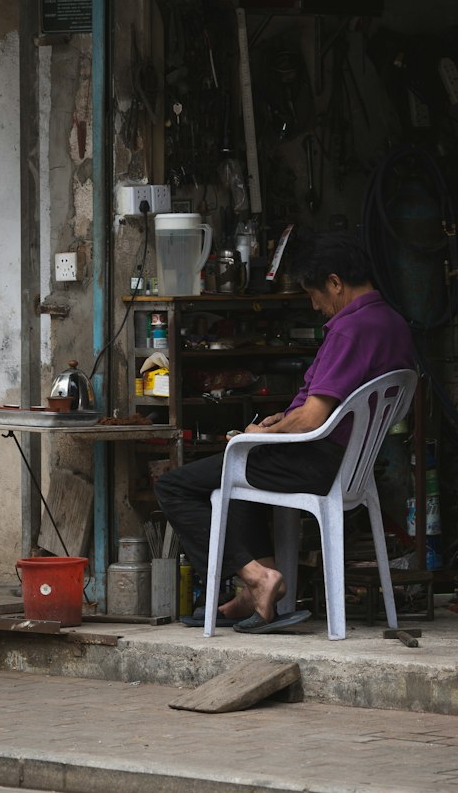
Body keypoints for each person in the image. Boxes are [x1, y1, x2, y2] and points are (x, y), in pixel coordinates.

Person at [155, 229, 415, 634]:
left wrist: (258, 433)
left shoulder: (351, 329)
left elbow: (313, 417)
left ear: (335, 283)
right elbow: (335, 405)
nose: (315, 306)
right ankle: (259, 591)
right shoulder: (392, 322)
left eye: (315, 294)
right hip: (353, 465)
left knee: (176, 485)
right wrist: (276, 425)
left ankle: (257, 578)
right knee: (242, 465)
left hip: (318, 461)